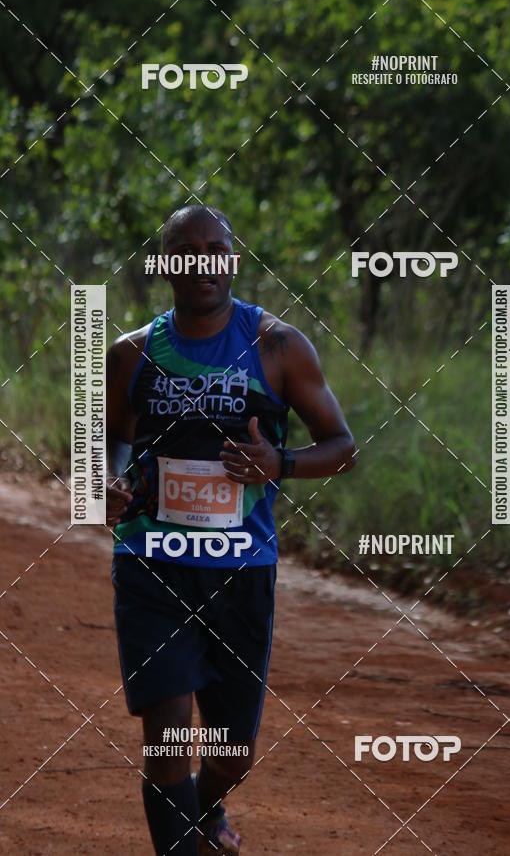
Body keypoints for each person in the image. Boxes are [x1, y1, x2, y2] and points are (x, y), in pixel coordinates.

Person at [106, 204, 356, 855]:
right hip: (151, 563)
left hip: (240, 570)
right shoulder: (131, 355)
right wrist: (108, 481)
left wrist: (282, 463)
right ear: (165, 265)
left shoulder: (277, 347)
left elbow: (342, 445)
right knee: (166, 737)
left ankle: (205, 808)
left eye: (215, 249)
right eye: (185, 251)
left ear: (232, 259)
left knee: (233, 751)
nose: (202, 263)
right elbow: (109, 441)